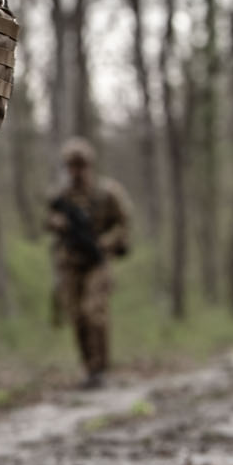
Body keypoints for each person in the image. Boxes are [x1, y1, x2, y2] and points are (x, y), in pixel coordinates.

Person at [45, 138, 131, 388]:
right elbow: (48, 218)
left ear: (89, 166)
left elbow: (123, 224)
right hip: (70, 263)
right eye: (71, 166)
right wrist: (57, 222)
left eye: (80, 165)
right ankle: (88, 368)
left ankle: (99, 368)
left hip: (98, 262)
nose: (76, 171)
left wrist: (107, 241)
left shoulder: (107, 193)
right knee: (77, 317)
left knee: (93, 312)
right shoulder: (61, 195)